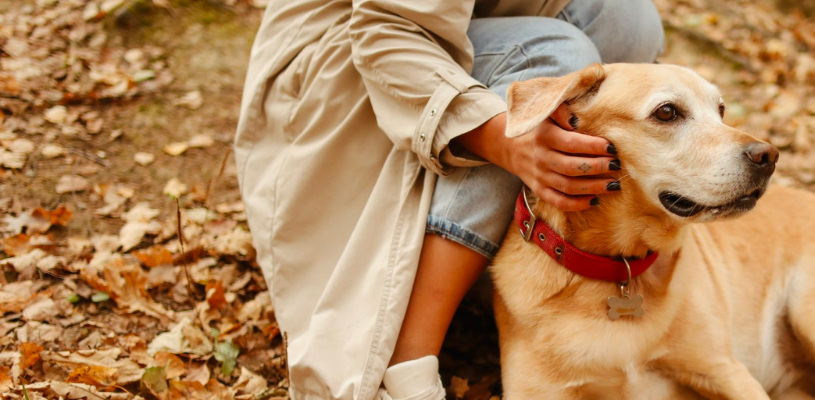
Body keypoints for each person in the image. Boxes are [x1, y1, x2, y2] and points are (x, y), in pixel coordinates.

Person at [233, 0, 665, 398]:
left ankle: (543, 276)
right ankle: (403, 364)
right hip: (349, 51)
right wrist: (501, 139)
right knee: (544, 59)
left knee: (628, 21)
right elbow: (384, 28)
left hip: (441, 30)